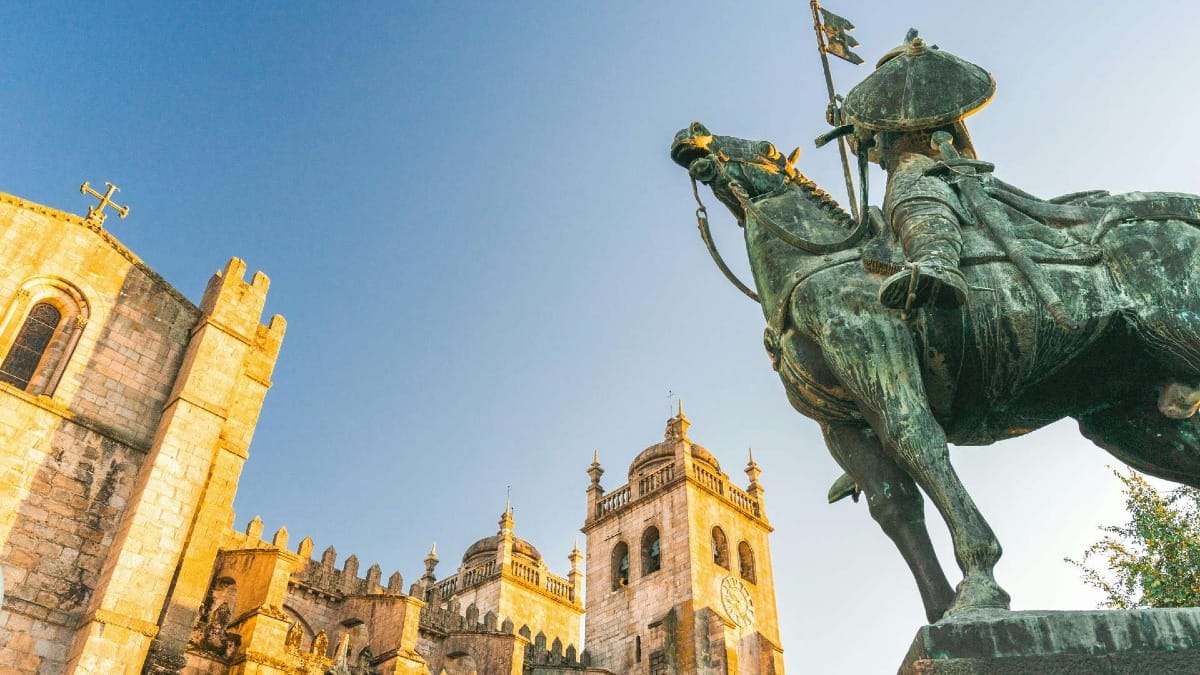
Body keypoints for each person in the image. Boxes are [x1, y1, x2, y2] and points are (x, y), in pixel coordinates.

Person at [842, 31, 996, 310]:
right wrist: (852, 128)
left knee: (913, 183)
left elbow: (957, 144)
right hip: (904, 166)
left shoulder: (931, 94)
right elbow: (871, 151)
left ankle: (938, 263)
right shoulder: (884, 114)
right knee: (901, 183)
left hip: (937, 164)